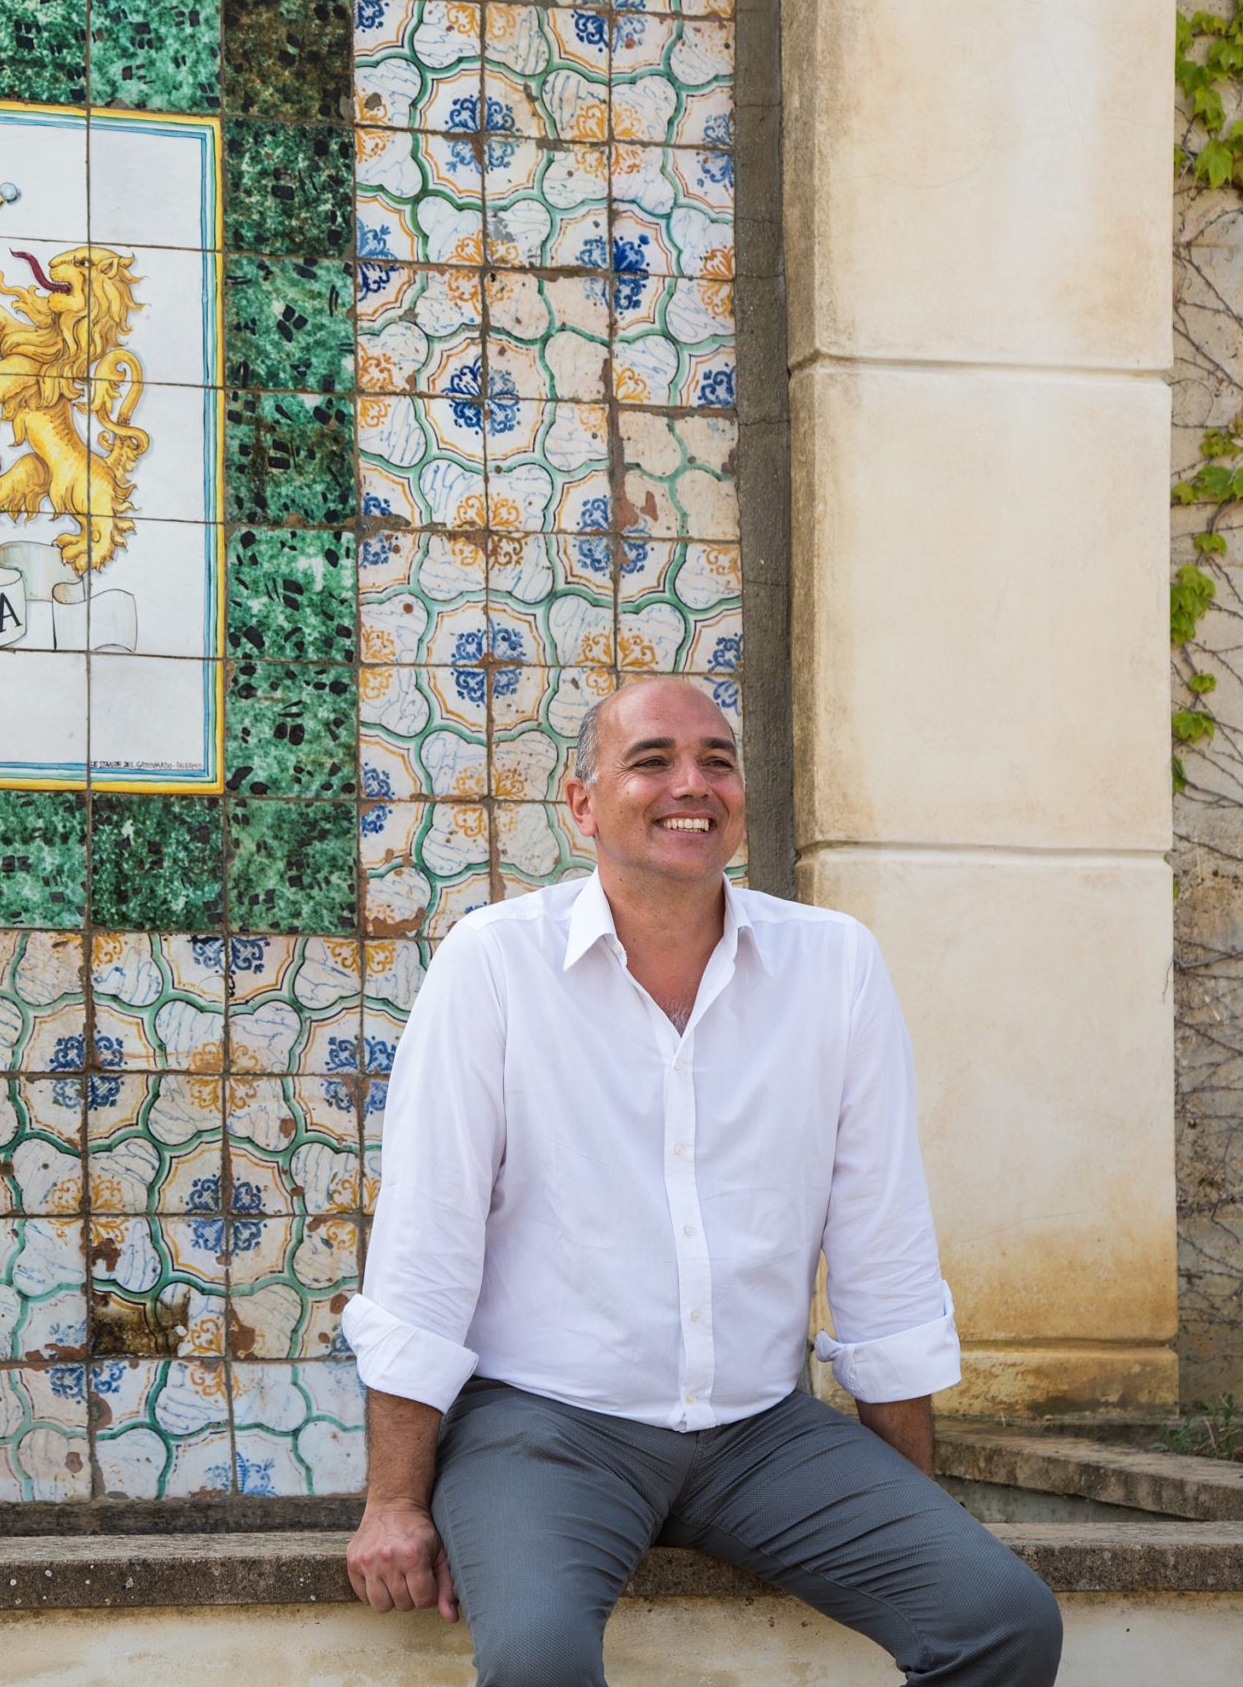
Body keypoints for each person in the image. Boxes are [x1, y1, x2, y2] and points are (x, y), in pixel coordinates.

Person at [339, 678, 1062, 1686]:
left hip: (760, 1434)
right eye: (652, 761)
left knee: (1003, 1618)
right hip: (547, 1426)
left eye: (716, 761)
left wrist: (908, 1507)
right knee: (539, 1660)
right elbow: (427, 1242)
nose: (693, 784)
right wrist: (393, 1501)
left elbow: (882, 1245)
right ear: (583, 803)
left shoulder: (834, 965)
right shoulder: (494, 964)